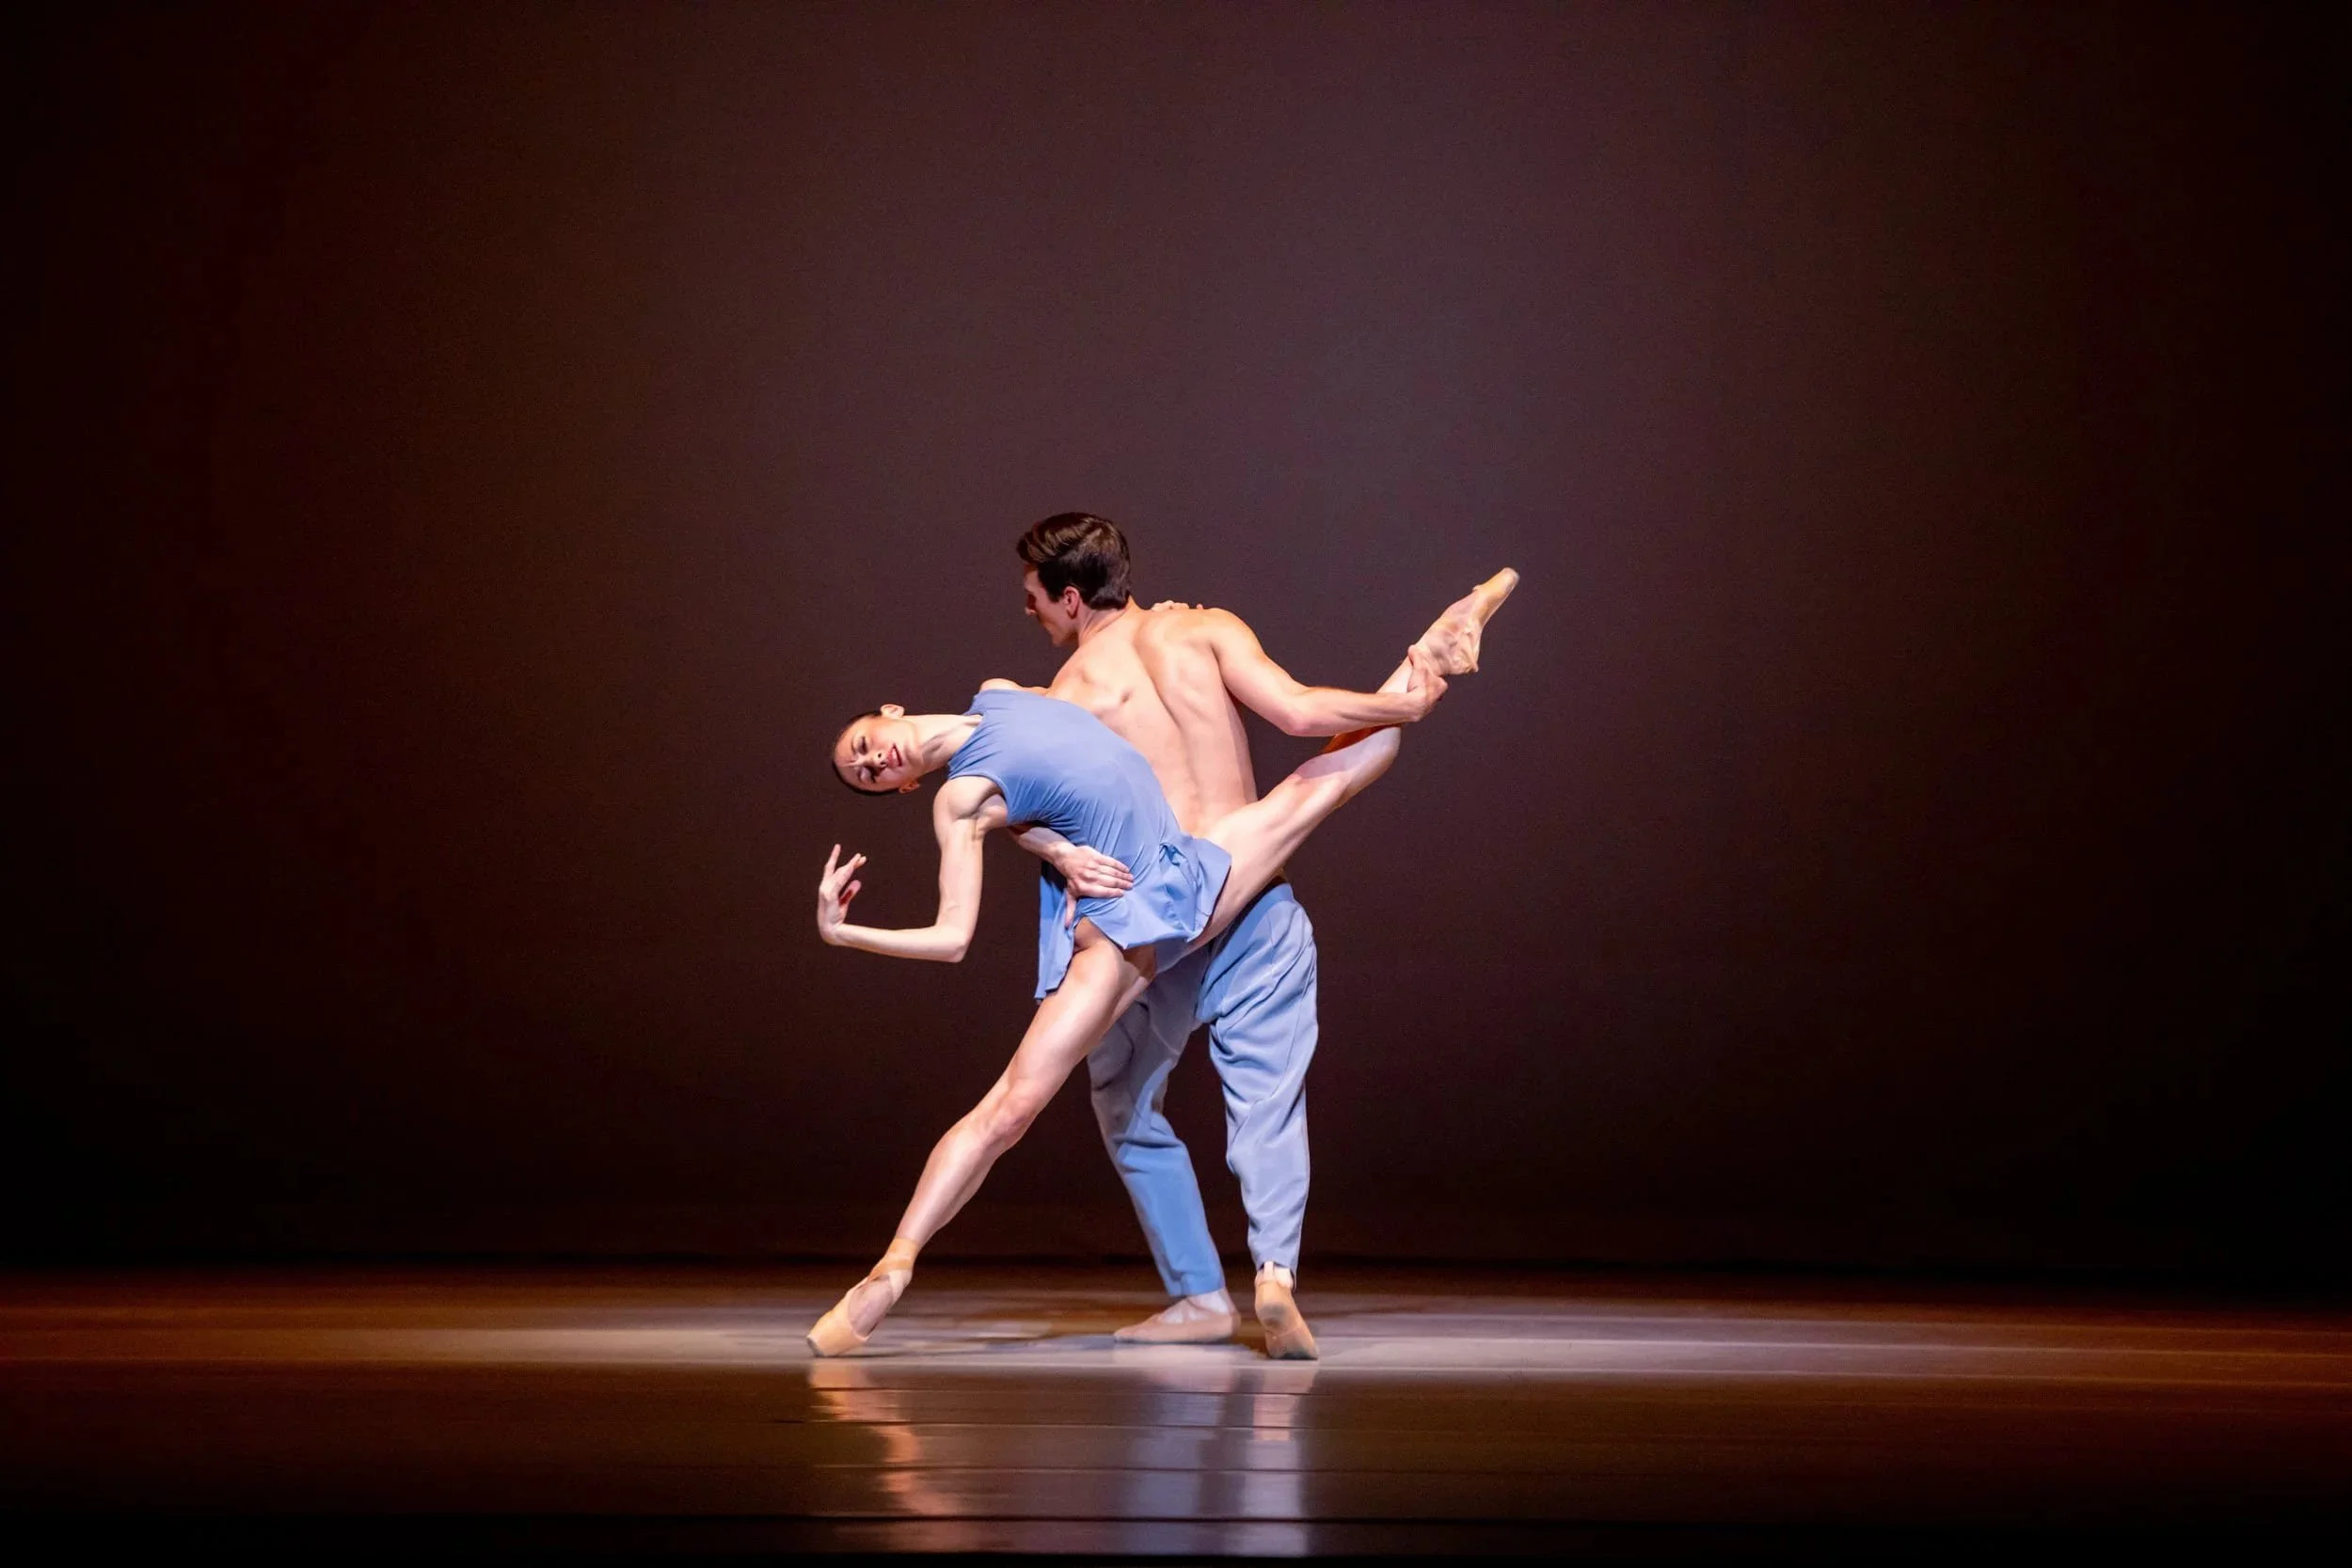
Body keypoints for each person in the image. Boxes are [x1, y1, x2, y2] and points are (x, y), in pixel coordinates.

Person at [807, 562, 1517, 1356]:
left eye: (865, 746)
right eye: (866, 775)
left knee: (1314, 790)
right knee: (1012, 1102)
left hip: (1179, 876)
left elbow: (1041, 788)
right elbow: (957, 925)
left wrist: (1059, 847)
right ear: (898, 791)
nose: (873, 762)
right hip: (1150, 901)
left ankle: (1246, 1285)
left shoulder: (1010, 694)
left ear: (889, 713)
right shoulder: (957, 797)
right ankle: (890, 1270)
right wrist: (846, 933)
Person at [1004, 515, 1516, 1358]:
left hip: (1163, 924)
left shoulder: (1068, 699)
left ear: (1068, 596)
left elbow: (1028, 812)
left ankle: (1201, 1296)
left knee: (1124, 1102)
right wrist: (1404, 702)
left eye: (1033, 600)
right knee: (1268, 1102)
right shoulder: (1205, 627)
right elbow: (1302, 714)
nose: (1029, 615)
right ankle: (1273, 1274)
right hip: (1257, 896)